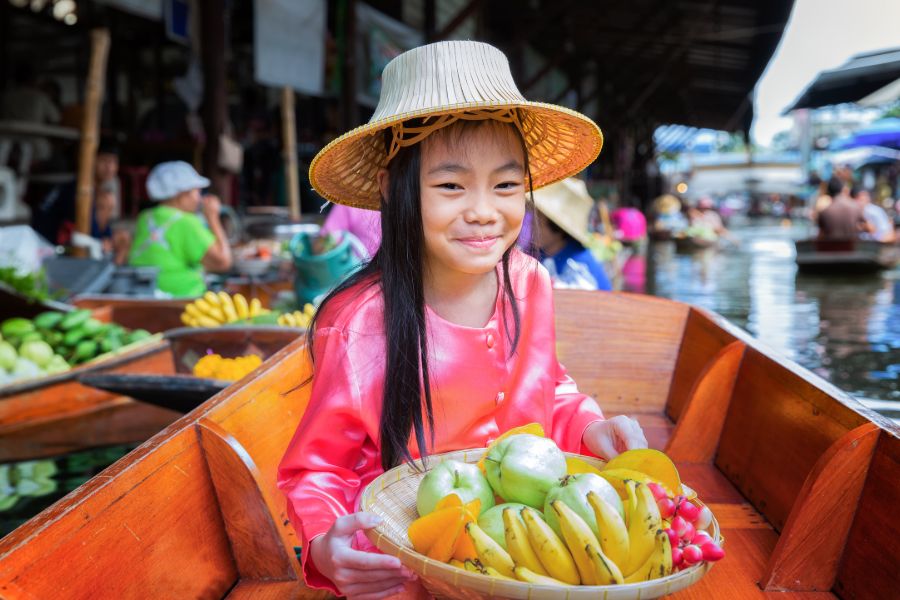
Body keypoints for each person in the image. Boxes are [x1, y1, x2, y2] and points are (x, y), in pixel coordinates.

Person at [277, 41, 647, 599]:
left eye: (504, 185)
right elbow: (318, 470)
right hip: (404, 562)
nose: (483, 210)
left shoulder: (529, 282)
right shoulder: (357, 321)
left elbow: (552, 387)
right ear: (392, 188)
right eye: (450, 185)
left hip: (525, 547)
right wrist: (329, 547)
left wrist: (591, 427)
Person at [129, 161, 232, 297]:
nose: (199, 199)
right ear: (181, 194)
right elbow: (223, 263)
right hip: (182, 300)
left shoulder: (144, 217)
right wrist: (213, 218)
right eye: (196, 191)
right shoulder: (187, 222)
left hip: (145, 296)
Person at [532, 178, 612, 291]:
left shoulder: (580, 265)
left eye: (538, 221)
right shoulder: (537, 254)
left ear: (557, 227)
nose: (531, 226)